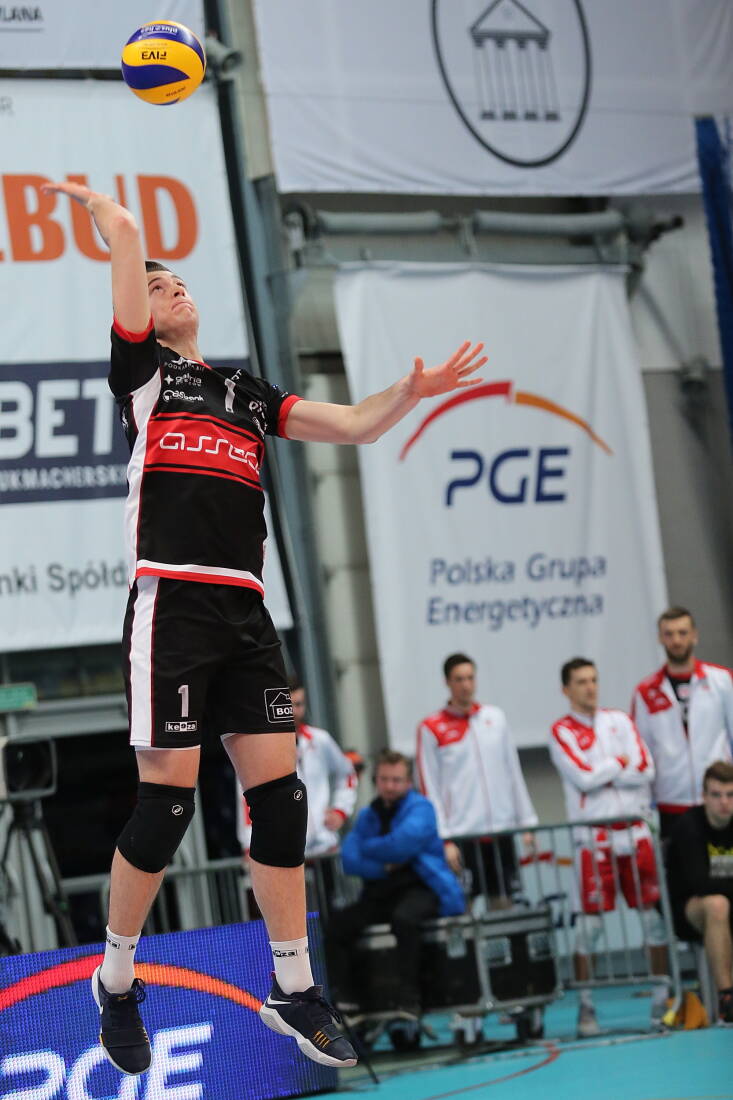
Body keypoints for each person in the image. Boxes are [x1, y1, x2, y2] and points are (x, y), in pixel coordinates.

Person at [42, 179, 486, 1076]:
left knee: (279, 799)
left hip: (245, 609)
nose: (172, 289)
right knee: (167, 805)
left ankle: (293, 985)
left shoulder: (242, 390)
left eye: (178, 281)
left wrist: (409, 390)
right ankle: (116, 980)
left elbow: (354, 425)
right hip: (172, 602)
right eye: (156, 286)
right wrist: (114, 222)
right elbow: (126, 254)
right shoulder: (144, 378)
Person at [550, 658, 669, 1038]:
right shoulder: (561, 731)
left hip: (635, 833)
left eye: (594, 680)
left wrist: (608, 770)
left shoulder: (620, 720)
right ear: (566, 689)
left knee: (652, 922)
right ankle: (586, 1008)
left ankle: (661, 1002)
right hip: (593, 839)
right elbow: (584, 779)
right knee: (590, 929)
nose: (590, 687)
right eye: (581, 682)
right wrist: (619, 762)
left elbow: (646, 769)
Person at [324, 750, 465, 1018]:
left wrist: (368, 847)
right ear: (376, 780)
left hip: (423, 888)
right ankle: (346, 1001)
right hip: (380, 893)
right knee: (337, 926)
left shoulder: (422, 808)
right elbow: (350, 860)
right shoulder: (368, 815)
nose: (389, 786)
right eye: (384, 779)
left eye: (396, 780)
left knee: (404, 920)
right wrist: (383, 865)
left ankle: (409, 999)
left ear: (408, 782)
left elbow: (400, 846)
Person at [416, 653, 537, 905]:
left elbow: (513, 771)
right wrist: (444, 838)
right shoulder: (431, 727)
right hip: (462, 836)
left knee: (503, 904)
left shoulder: (495, 718)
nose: (466, 685)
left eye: (470, 678)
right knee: (463, 907)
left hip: (501, 831)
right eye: (459, 679)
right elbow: (429, 788)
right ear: (447, 682)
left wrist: (526, 822)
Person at [631, 607, 733, 838]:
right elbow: (642, 754)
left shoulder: (722, 681)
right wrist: (645, 805)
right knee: (679, 862)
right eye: (669, 634)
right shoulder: (645, 691)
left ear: (694, 635)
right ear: (660, 638)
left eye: (682, 633)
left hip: (718, 800)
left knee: (723, 860)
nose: (676, 640)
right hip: (671, 802)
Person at [237, 676, 358, 859]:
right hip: (285, 851)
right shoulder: (259, 749)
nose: (294, 711)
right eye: (288, 705)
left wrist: (340, 810)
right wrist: (249, 845)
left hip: (325, 847)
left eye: (299, 704)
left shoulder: (320, 740)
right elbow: (245, 797)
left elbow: (347, 773)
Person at [667, 760, 733, 1023]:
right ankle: (727, 997)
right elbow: (701, 884)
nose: (724, 802)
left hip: (727, 900)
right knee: (717, 904)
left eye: (730, 795)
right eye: (716, 795)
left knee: (722, 904)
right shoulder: (689, 826)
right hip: (689, 910)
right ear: (704, 796)